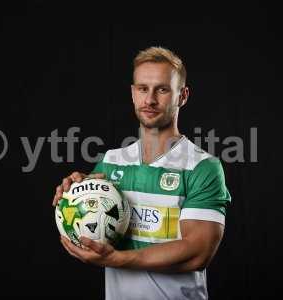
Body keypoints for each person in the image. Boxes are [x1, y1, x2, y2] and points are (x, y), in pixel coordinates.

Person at [52, 46, 231, 300]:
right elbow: (87, 225)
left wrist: (119, 259)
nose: (150, 100)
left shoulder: (202, 167)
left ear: (183, 96)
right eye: (143, 88)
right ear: (133, 93)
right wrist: (72, 195)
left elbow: (198, 253)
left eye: (162, 89)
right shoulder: (110, 162)